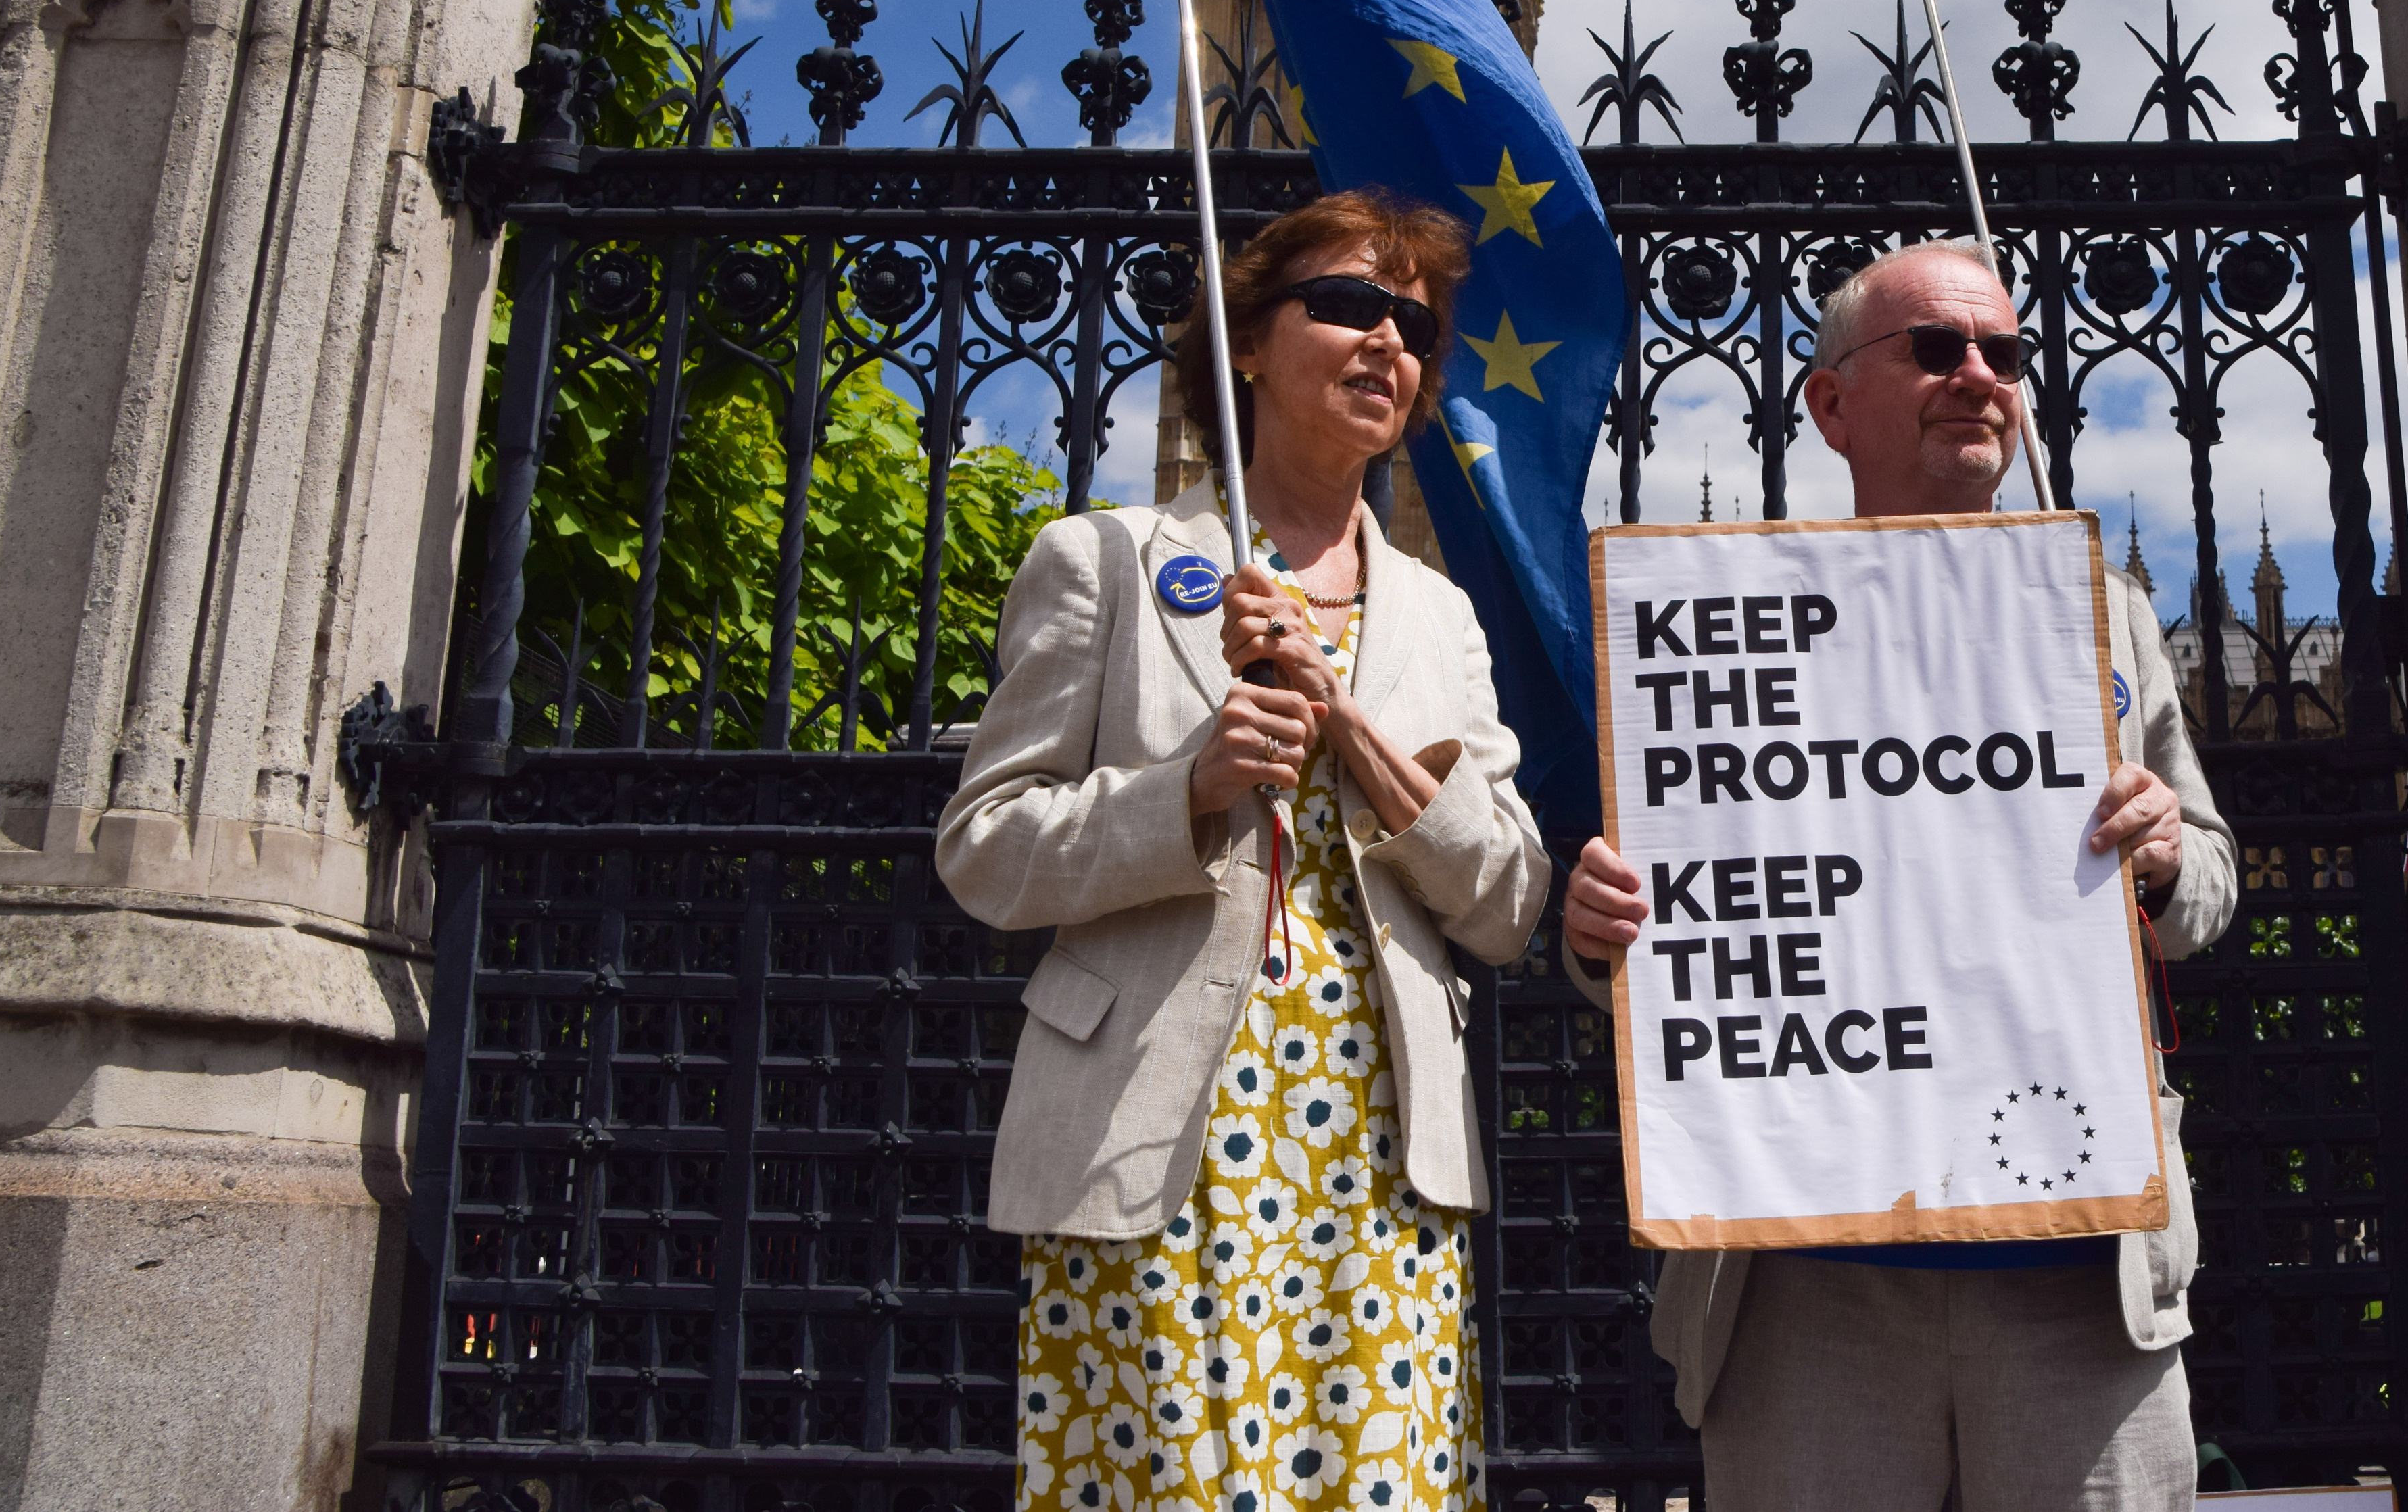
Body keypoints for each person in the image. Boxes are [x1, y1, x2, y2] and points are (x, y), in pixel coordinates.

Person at [1566, 237, 2238, 1507]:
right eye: (1936, 348)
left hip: (2078, 1286)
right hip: (1807, 1291)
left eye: (2005, 353)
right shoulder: (1720, 629)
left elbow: (2208, 883)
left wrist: (2160, 860)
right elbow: (1663, 939)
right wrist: (1601, 926)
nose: (1977, 375)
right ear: (1830, 403)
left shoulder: (2109, 612)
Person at [938, 190, 1551, 1512]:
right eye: (1346, 302)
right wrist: (1190, 788)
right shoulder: (1102, 562)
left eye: (1415, 322)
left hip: (1376, 1153)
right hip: (1152, 1131)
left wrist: (1369, 753)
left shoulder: (1441, 617)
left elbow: (1508, 901)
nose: (1388, 338)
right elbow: (985, 849)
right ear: (1248, 342)